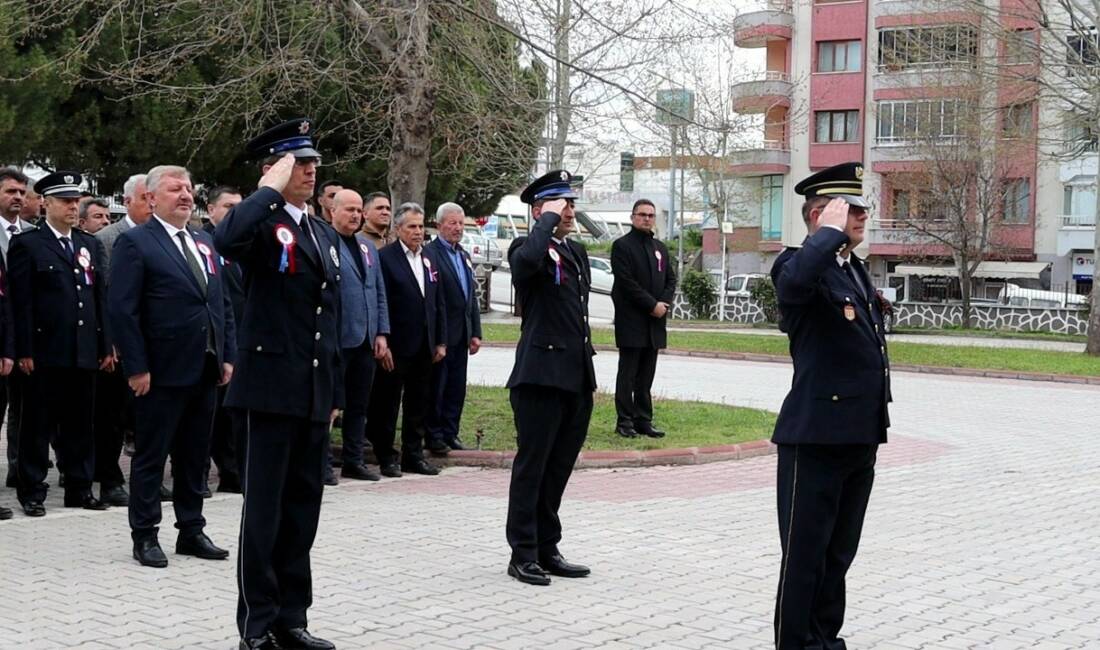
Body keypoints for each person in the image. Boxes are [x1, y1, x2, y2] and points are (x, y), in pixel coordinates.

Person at [213, 118, 342, 650]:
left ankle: (292, 616)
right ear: (275, 168)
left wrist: (332, 393)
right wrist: (265, 191)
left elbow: (327, 317)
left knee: (301, 511)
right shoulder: (261, 223)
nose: (310, 171)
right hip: (270, 388)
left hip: (311, 392)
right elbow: (225, 238)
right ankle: (257, 624)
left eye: (313, 162)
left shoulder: (321, 231)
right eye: (298, 162)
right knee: (263, 513)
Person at [770, 162, 891, 649]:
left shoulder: (852, 270)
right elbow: (795, 285)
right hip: (815, 438)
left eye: (862, 208)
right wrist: (825, 235)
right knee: (805, 557)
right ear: (821, 215)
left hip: (858, 435)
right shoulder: (797, 264)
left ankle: (825, 641)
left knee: (838, 556)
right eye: (852, 209)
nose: (863, 216)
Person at [108, 165, 236, 568]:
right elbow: (123, 310)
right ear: (150, 198)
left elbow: (221, 302)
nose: (185, 194)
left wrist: (227, 353)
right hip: (159, 371)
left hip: (204, 366)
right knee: (151, 455)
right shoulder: (136, 243)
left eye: (188, 188)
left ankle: (191, 530)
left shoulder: (203, 240)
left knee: (194, 455)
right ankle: (145, 534)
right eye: (174, 188)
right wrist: (136, 366)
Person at [504, 170, 596, 586]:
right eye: (562, 203)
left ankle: (547, 545)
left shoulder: (573, 252)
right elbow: (526, 267)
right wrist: (544, 221)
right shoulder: (526, 246)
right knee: (533, 467)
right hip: (539, 376)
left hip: (575, 375)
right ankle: (522, 552)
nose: (571, 210)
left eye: (571, 203)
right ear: (541, 209)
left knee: (558, 468)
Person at [9, 171, 114, 516]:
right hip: (44, 350)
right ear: (46, 204)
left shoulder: (88, 243)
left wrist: (105, 344)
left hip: (82, 349)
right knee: (37, 424)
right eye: (66, 201)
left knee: (81, 422)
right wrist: (23, 349)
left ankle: (79, 486)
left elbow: (99, 297)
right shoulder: (28, 244)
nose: (73, 206)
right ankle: (32, 488)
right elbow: (21, 302)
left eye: (75, 200)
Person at [366, 202, 446, 478]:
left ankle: (414, 455)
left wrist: (440, 340)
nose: (417, 232)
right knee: (387, 404)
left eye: (421, 226)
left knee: (418, 403)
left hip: (425, 344)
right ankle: (386, 455)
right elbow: (380, 300)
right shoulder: (385, 258)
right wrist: (382, 337)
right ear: (398, 228)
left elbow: (438, 302)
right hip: (396, 344)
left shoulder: (429, 258)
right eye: (411, 226)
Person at [94, 173, 154, 504]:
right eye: (145, 198)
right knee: (113, 416)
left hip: (156, 341)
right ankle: (110, 479)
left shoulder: (165, 237)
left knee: (148, 417)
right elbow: (105, 294)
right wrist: (110, 340)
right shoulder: (107, 238)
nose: (151, 204)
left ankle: (149, 478)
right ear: (129, 201)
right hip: (120, 343)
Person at [326, 189, 389, 482]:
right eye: (348, 209)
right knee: (330, 404)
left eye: (357, 210)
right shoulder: (325, 243)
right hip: (336, 339)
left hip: (366, 338)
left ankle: (354, 460)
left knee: (358, 404)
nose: (354, 215)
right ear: (332, 211)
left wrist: (381, 332)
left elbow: (378, 292)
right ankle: (323, 463)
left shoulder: (367, 247)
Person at [610, 198, 676, 439]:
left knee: (646, 375)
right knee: (628, 374)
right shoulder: (622, 246)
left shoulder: (660, 247)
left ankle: (643, 420)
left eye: (650, 215)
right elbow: (626, 283)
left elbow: (671, 279)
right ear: (632, 217)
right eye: (642, 214)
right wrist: (651, 305)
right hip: (632, 320)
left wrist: (663, 304)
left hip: (655, 323)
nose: (647, 218)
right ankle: (624, 421)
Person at [424, 202, 481, 454]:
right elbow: (435, 301)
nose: (458, 228)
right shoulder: (430, 254)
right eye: (452, 223)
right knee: (438, 387)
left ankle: (451, 432)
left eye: (461, 223)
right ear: (439, 225)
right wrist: (440, 339)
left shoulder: (464, 256)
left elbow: (471, 298)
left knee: (457, 387)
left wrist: (476, 332)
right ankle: (434, 435)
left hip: (462, 334)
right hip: (442, 337)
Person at [203, 185, 245, 493]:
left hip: (245, 341)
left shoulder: (245, 242)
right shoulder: (206, 243)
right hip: (215, 344)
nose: (235, 213)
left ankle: (233, 472)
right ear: (210, 210)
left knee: (235, 416)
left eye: (239, 207)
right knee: (211, 415)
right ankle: (200, 473)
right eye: (228, 207)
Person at [0, 167, 34, 490]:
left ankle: (18, 471)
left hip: (26, 338)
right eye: (11, 192)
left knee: (23, 413)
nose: (18, 198)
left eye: (22, 193)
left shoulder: (31, 234)